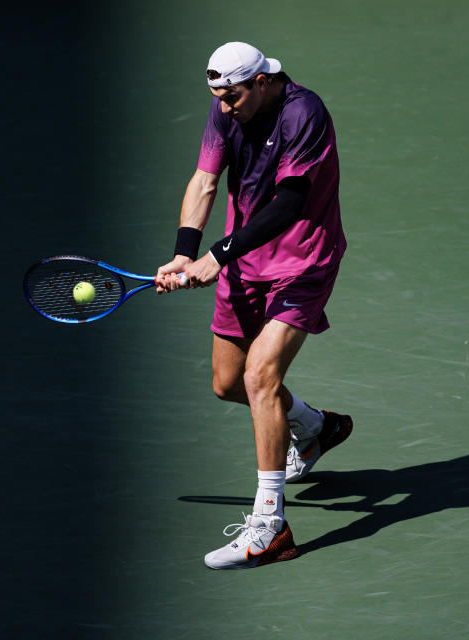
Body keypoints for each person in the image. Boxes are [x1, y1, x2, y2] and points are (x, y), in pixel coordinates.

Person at [155, 41, 352, 570]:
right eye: (217, 96)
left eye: (234, 96)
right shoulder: (227, 110)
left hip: (302, 261)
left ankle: (270, 527)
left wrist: (218, 254)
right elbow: (204, 181)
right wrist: (183, 252)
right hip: (246, 264)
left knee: (259, 377)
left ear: (263, 81)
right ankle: (314, 425)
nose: (225, 107)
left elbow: (290, 201)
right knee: (227, 382)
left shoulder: (302, 113)